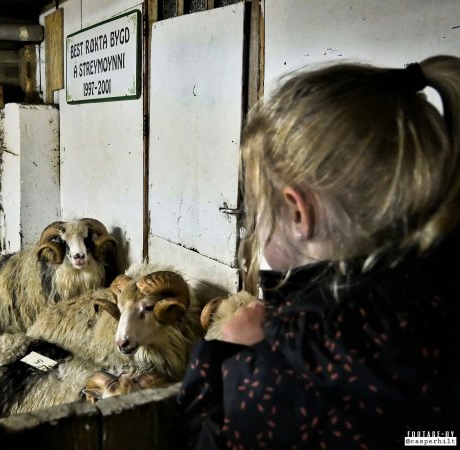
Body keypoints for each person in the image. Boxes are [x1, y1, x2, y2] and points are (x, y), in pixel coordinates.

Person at [175, 55, 460, 449]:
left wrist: (225, 359)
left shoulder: (291, 362)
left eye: (257, 207)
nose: (255, 223)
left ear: (297, 213)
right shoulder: (437, 297)